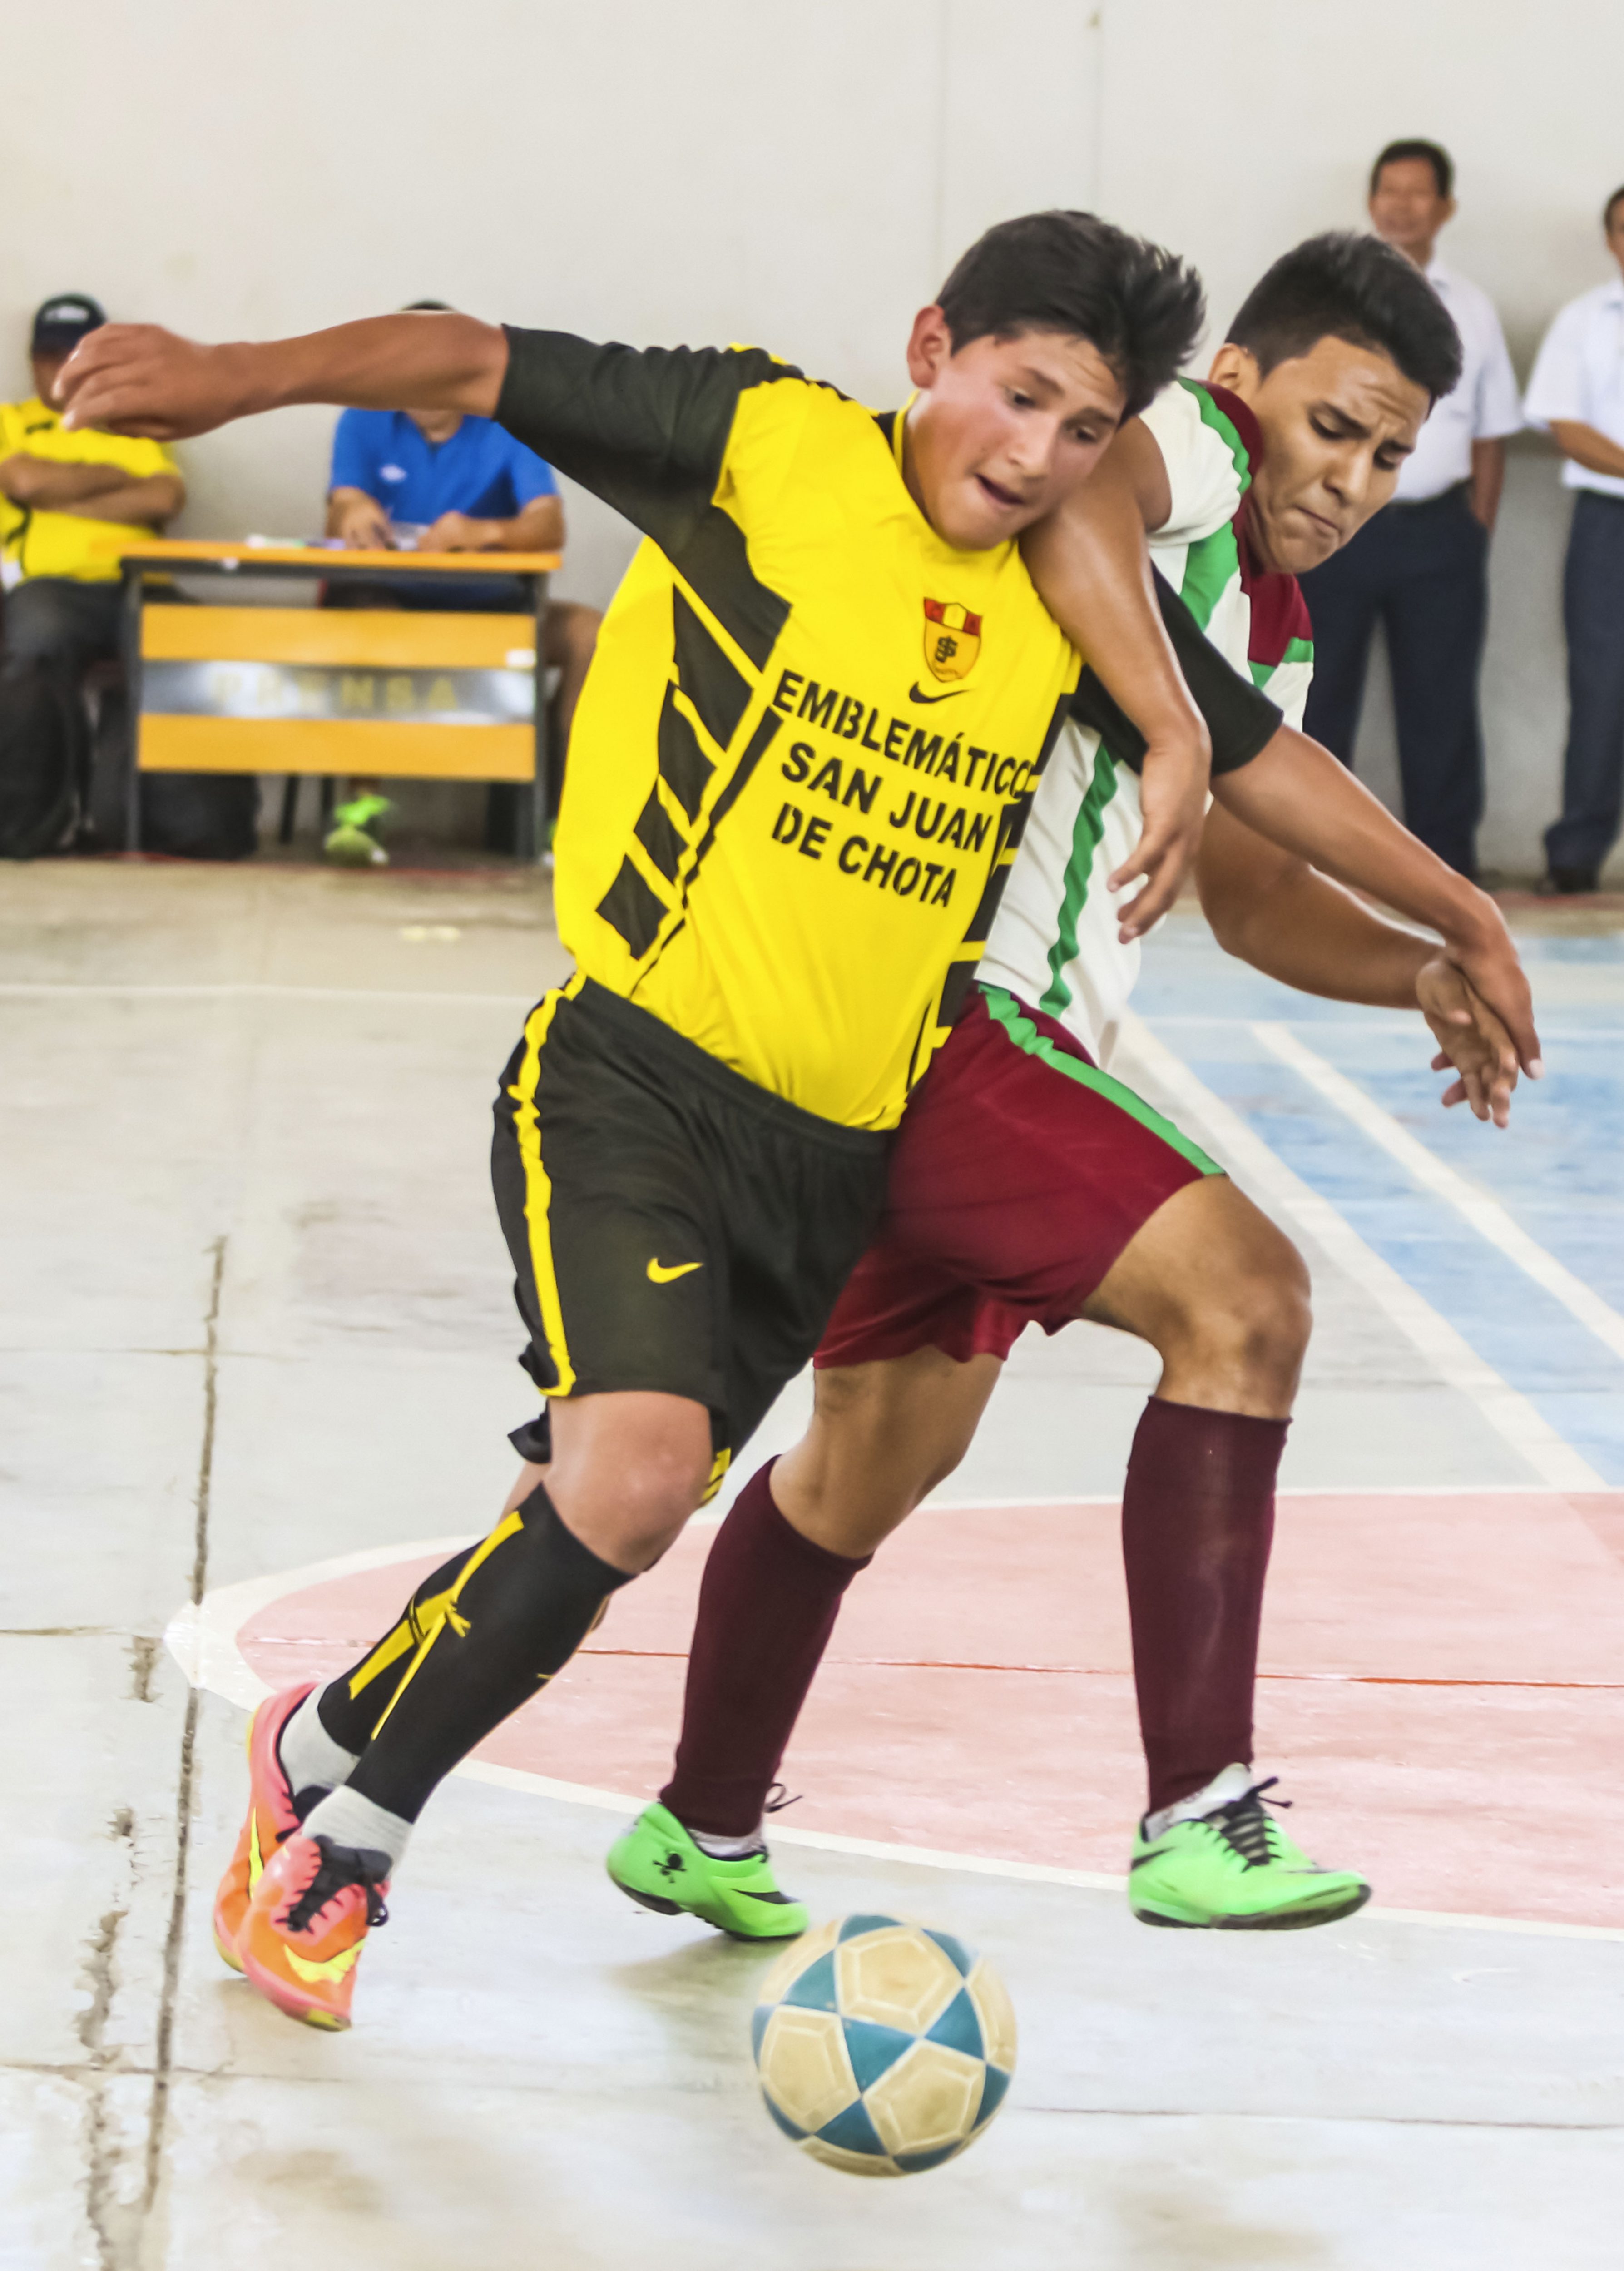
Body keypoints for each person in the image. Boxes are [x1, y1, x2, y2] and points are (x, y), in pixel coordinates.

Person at [64, 210, 1230, 2029]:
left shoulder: (1063, 594)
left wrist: (1425, 908)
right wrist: (235, 376)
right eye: (1016, 395)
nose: (1033, 455)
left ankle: (325, 1735)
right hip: (634, 1077)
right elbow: (473, 359)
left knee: (593, 1514)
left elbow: (1264, 758)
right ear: (929, 344)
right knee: (627, 1479)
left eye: (1085, 430)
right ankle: (342, 1853)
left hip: (830, 1160)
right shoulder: (766, 443)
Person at [598, 234, 1545, 1942]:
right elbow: (1084, 499)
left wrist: (1418, 969)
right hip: (967, 1021)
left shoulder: (1272, 624)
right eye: (1336, 426)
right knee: (1245, 1302)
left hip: (992, 1058)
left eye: (1394, 455)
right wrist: (1436, 887)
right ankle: (1198, 1810)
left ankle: (699, 1822)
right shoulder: (1181, 453)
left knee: (864, 1465)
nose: (1351, 478)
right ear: (1241, 384)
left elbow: (1252, 896)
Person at [1299, 142, 1520, 881]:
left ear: (1445, 208)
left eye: (1417, 192)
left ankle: (1445, 870)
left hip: (1437, 535)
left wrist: (1474, 529)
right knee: (1317, 696)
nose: (1401, 205)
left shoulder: (1473, 308)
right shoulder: (1329, 301)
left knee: (1441, 705)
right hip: (1336, 527)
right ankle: (1307, 862)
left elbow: (1491, 432)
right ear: (1371, 202)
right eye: (1388, 191)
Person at [319, 301, 602, 867]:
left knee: (591, 634)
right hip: (390, 599)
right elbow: (339, 506)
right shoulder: (363, 419)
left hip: (490, 608)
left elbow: (550, 524)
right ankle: (361, 809)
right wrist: (351, 510)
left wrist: (484, 531)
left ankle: (567, 813)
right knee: (373, 628)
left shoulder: (509, 423)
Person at [0, 294, 184, 684]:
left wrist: (55, 501)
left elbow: (164, 499)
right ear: (33, 362)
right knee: (38, 643)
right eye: (51, 355)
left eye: (76, 355)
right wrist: (116, 477)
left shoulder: (136, 422)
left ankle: (127, 731)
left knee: (195, 645)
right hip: (50, 586)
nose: (63, 367)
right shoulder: (9, 421)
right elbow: (24, 481)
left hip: (142, 585)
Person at [1523, 186, 1624, 894]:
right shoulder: (1585, 320)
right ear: (1610, 240)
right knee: (1602, 687)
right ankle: (1577, 854)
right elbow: (1565, 423)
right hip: (1609, 523)